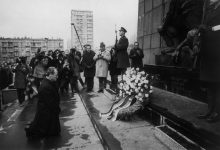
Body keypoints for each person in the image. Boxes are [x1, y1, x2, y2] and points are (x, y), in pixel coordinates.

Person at [197, 0, 220, 123]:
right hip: (208, 51)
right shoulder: (209, 9)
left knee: (218, 84)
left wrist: (209, 28)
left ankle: (217, 112)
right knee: (210, 84)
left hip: (217, 51)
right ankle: (209, 110)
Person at [25, 67, 60, 139]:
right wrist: (57, 109)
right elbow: (50, 103)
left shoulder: (48, 83)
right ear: (50, 75)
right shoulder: (46, 86)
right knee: (47, 132)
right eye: (56, 74)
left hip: (48, 112)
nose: (57, 76)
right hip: (47, 112)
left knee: (52, 132)